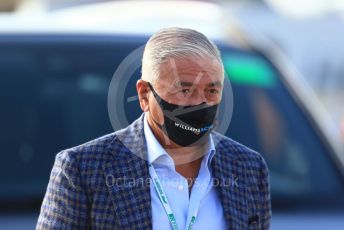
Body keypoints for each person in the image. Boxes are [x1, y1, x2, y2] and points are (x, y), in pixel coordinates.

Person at [36, 27, 271, 230]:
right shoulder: (82, 170)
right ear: (144, 95)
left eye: (211, 91)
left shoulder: (249, 168)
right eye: (184, 90)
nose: (200, 103)